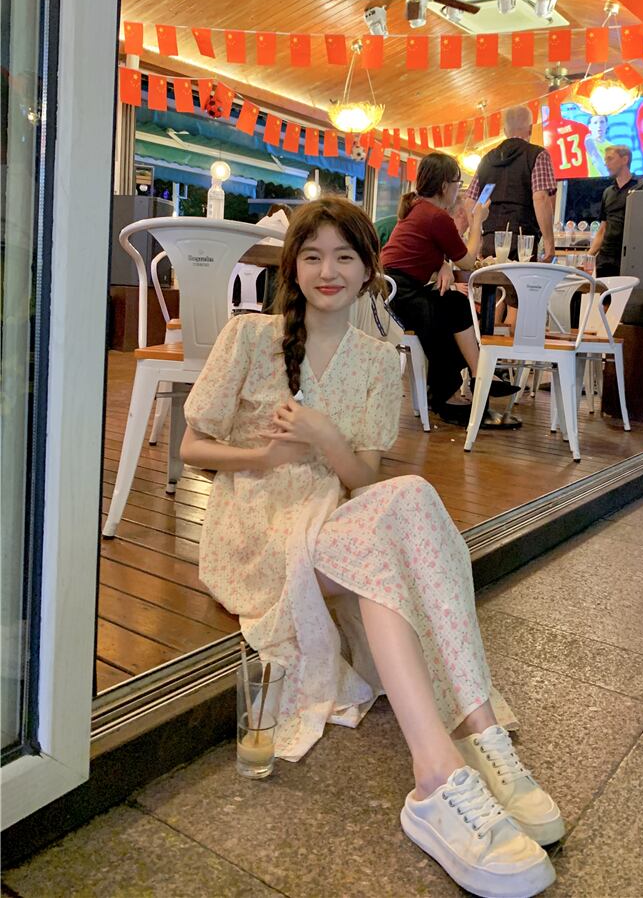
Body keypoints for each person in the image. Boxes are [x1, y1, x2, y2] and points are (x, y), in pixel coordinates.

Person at [180, 198, 563, 898]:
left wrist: (324, 436)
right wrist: (263, 457)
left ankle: (473, 741)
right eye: (312, 256)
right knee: (392, 532)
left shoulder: (380, 360)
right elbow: (191, 446)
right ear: (293, 268)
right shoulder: (249, 337)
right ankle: (447, 767)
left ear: (368, 271)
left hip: (332, 519)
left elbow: (362, 479)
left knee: (409, 496)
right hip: (256, 531)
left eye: (344, 256)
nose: (328, 270)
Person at [381, 152, 519, 426]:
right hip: (401, 297)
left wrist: (442, 264)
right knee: (454, 305)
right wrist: (477, 221)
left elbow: (418, 254)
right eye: (458, 183)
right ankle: (469, 381)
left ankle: (466, 382)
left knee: (454, 302)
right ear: (445, 185)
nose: (460, 189)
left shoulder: (417, 209)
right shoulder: (436, 216)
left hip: (390, 294)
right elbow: (467, 262)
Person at [466, 105, 557, 264]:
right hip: (522, 243)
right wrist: (549, 244)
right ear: (530, 129)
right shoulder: (537, 155)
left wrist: (477, 238)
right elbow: (541, 199)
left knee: (491, 280)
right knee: (519, 281)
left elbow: (470, 203)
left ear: (505, 131)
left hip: (490, 240)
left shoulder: (487, 159)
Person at [588, 145, 643, 276]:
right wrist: (589, 255)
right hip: (606, 258)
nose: (606, 164)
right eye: (605, 160)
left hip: (631, 257)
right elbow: (603, 228)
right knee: (603, 289)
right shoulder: (608, 192)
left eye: (610, 159)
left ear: (625, 159)